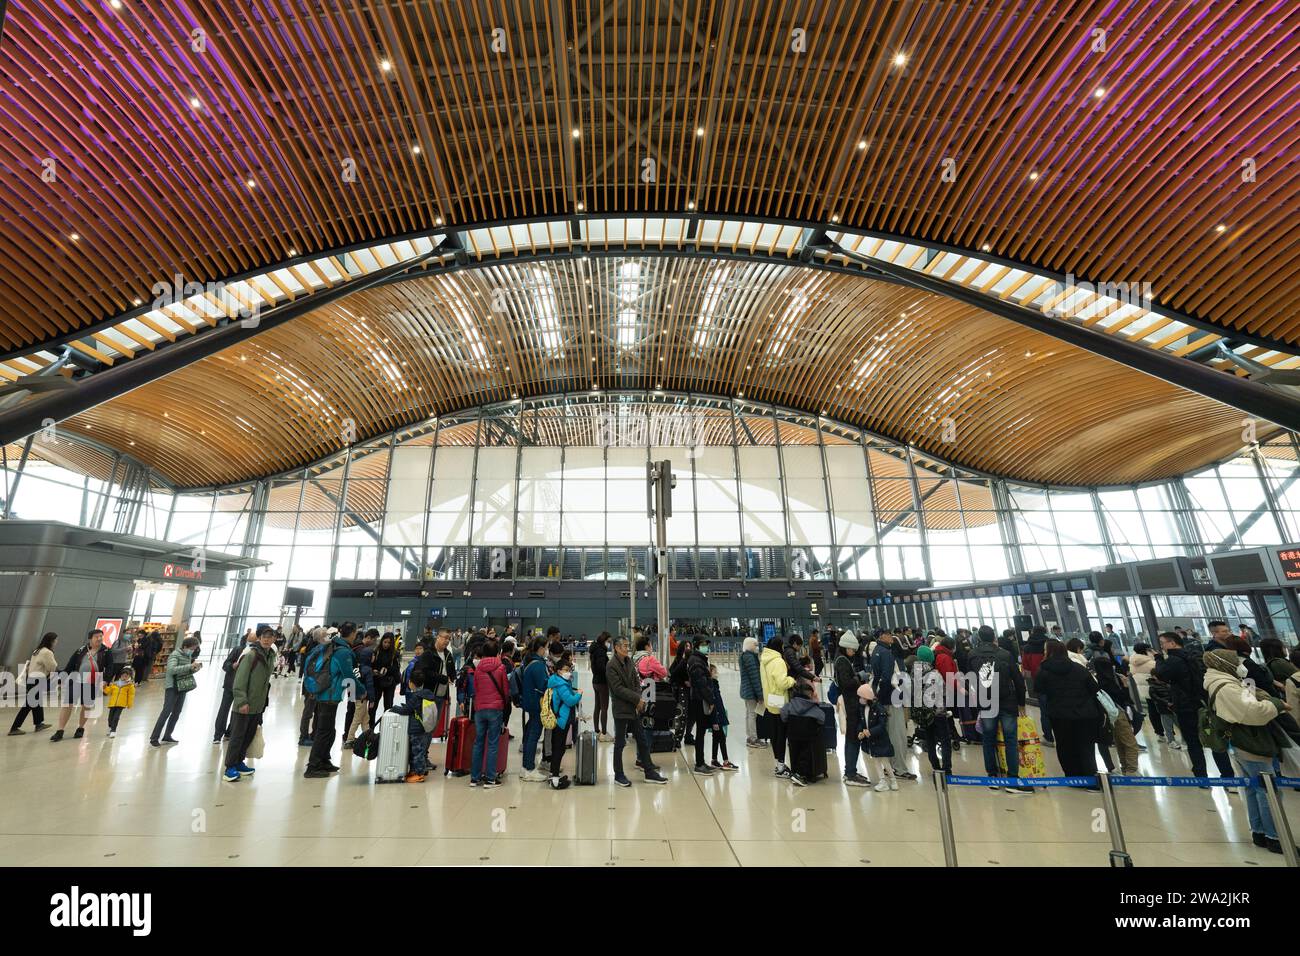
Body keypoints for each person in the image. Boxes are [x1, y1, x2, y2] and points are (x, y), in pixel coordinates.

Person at [1202, 648, 1295, 855]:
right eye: (1236, 661)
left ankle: (1259, 832)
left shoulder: (1224, 682)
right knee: (1267, 789)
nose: (1240, 665)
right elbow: (1253, 713)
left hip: (1242, 741)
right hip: (1251, 741)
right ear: (1225, 663)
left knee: (1253, 788)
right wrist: (1276, 704)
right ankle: (1274, 836)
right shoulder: (1226, 686)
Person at [968, 625, 1032, 793]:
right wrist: (1021, 703)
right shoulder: (1005, 654)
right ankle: (1012, 779)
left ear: (979, 638)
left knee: (988, 739)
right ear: (994, 637)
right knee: (1011, 739)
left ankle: (992, 776)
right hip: (1007, 701)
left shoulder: (972, 655)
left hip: (986, 702)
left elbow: (970, 678)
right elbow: (1018, 680)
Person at [1033, 640, 1104, 789]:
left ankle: (1072, 777)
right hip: (1085, 713)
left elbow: (1038, 689)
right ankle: (1091, 778)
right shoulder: (1078, 668)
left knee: (1065, 746)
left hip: (1060, 714)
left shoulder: (1044, 669)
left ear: (1049, 651)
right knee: (1086, 746)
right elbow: (1094, 688)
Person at [1152, 631, 1221, 784]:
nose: (1162, 646)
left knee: (1193, 741)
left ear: (1172, 643)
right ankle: (1228, 777)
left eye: (1163, 643)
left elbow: (1161, 674)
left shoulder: (1173, 660)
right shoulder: (1194, 655)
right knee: (1212, 738)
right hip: (1203, 705)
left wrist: (1158, 658)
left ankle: (1201, 776)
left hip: (1186, 708)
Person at [605, 634, 668, 786]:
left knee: (642, 740)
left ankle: (649, 771)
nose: (627, 648)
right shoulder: (611, 666)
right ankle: (618, 774)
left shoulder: (629, 662)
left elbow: (636, 682)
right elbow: (618, 689)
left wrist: (639, 698)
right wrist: (637, 699)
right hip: (621, 709)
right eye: (624, 646)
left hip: (634, 708)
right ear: (616, 648)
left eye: (628, 645)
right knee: (620, 743)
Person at [222, 627, 276, 783]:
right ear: (258, 638)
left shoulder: (270, 655)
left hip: (258, 704)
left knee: (248, 735)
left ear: (274, 639)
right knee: (237, 736)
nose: (266, 639)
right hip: (245, 704)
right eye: (263, 637)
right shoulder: (251, 655)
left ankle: (239, 762)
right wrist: (242, 701)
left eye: (270, 637)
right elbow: (239, 680)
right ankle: (229, 767)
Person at [301, 625, 356, 778]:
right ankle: (313, 766)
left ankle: (324, 760)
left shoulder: (330, 648)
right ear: (351, 634)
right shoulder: (341, 652)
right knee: (324, 732)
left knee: (329, 731)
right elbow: (349, 676)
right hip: (328, 696)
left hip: (324, 694)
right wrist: (361, 691)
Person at [870, 629, 917, 782]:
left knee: (889, 734)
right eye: (889, 635)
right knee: (898, 735)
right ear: (882, 636)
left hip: (883, 698)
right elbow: (887, 677)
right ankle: (900, 769)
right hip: (891, 698)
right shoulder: (886, 653)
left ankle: (890, 767)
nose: (891, 638)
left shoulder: (877, 651)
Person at [49, 630, 111, 742]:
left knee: (86, 705)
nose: (99, 639)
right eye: (97, 637)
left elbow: (110, 667)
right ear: (90, 638)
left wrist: (106, 680)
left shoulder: (106, 651)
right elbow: (70, 665)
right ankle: (60, 730)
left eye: (101, 636)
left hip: (93, 682)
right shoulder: (81, 650)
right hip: (76, 680)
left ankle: (80, 728)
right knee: (68, 704)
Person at [148, 635, 202, 746]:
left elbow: (185, 671)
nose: (192, 651)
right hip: (172, 687)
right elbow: (171, 670)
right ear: (186, 646)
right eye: (192, 649)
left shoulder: (187, 656)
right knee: (166, 712)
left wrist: (194, 669)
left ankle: (167, 735)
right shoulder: (175, 655)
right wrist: (189, 666)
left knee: (176, 713)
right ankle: (154, 738)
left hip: (182, 687)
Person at [469, 639, 509, 788]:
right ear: (497, 652)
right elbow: (505, 689)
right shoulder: (501, 667)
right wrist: (504, 704)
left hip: (480, 709)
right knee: (492, 743)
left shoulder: (477, 668)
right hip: (495, 708)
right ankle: (491, 778)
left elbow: (476, 688)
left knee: (478, 742)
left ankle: (474, 778)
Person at [833, 631, 871, 787]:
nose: (854, 653)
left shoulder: (842, 660)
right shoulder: (842, 661)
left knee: (853, 737)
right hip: (850, 705)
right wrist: (859, 677)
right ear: (846, 647)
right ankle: (850, 773)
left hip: (850, 703)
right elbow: (846, 683)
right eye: (852, 650)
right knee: (853, 738)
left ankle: (851, 771)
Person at [1092, 655, 1139, 775]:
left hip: (1106, 716)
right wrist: (1125, 685)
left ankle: (1125, 767)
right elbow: (1124, 698)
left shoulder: (1095, 681)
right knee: (1129, 742)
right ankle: (1131, 769)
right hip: (1118, 712)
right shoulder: (1110, 682)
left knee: (1119, 742)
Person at [389, 670, 438, 782]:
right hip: (423, 727)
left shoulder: (416, 697)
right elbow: (415, 709)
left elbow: (406, 710)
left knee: (417, 751)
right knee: (420, 750)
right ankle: (420, 769)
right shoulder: (427, 694)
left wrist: (395, 708)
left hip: (416, 729)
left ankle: (419, 774)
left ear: (411, 683)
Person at [544, 654, 582, 790]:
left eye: (569, 669)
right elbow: (570, 700)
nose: (568, 672)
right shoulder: (560, 684)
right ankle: (554, 778)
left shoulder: (557, 681)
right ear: (559, 671)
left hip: (559, 718)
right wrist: (579, 694)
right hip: (562, 720)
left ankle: (553, 775)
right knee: (559, 748)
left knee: (558, 747)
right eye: (566, 669)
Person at [9, 632, 58, 735]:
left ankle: (39, 724)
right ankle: (14, 728)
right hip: (37, 680)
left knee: (36, 702)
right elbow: (52, 667)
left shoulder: (37, 650)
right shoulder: (47, 652)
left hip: (31, 679)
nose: (56, 642)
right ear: (51, 641)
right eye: (55, 640)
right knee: (28, 705)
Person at [214, 630, 258, 744]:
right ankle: (218, 735)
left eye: (253, 641)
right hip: (230, 685)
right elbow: (226, 665)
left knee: (237, 712)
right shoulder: (238, 650)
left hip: (243, 688)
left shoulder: (256, 654)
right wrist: (233, 666)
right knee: (224, 709)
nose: (250, 643)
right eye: (250, 640)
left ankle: (229, 732)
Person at [760, 636, 795, 777]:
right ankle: (781, 767)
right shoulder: (778, 661)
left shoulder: (764, 660)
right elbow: (782, 683)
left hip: (770, 700)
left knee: (775, 735)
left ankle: (778, 763)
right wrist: (791, 680)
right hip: (780, 700)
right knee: (781, 735)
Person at [856, 683, 897, 791]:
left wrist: (869, 732)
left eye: (861, 697)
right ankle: (882, 781)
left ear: (866, 697)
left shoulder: (879, 708)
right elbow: (862, 722)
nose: (860, 699)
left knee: (884, 761)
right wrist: (861, 731)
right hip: (871, 741)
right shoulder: (862, 708)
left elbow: (882, 726)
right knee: (876, 761)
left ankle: (893, 780)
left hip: (880, 740)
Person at [686, 638, 717, 774]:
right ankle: (699, 764)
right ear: (697, 646)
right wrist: (710, 700)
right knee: (700, 732)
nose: (706, 647)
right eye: (704, 645)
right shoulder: (696, 661)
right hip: (699, 700)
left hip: (699, 698)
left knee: (701, 731)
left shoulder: (698, 659)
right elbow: (702, 684)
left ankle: (701, 761)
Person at [343, 628, 376, 745]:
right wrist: (372, 698)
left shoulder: (354, 650)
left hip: (353, 689)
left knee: (363, 718)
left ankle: (367, 737)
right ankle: (349, 738)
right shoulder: (367, 667)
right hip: (362, 695)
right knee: (356, 717)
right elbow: (370, 685)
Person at [739, 636, 764, 747]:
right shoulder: (750, 658)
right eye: (755, 645)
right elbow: (754, 677)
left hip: (746, 690)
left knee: (749, 714)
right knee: (752, 714)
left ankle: (750, 737)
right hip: (751, 691)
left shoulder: (745, 656)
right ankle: (753, 738)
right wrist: (760, 694)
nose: (757, 647)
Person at [371, 633, 401, 723]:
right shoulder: (376, 651)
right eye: (385, 642)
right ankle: (370, 728)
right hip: (376, 682)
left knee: (388, 707)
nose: (386, 644)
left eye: (389, 643)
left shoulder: (395, 654)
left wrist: (387, 670)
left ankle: (385, 728)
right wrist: (374, 670)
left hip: (389, 683)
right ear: (382, 641)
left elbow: (396, 669)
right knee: (373, 706)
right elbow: (371, 665)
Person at [590, 632, 612, 742]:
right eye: (609, 641)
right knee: (604, 707)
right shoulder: (601, 652)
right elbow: (601, 667)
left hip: (595, 681)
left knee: (597, 706)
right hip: (602, 682)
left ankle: (597, 730)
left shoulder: (594, 649)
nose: (610, 644)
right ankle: (604, 733)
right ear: (604, 640)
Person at [104, 665, 136, 739]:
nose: (124, 677)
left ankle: (113, 731)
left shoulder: (130, 686)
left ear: (129, 677)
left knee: (116, 717)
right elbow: (108, 691)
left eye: (126, 676)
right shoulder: (115, 684)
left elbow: (131, 695)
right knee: (110, 718)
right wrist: (104, 687)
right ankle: (110, 727)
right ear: (120, 676)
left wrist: (129, 704)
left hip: (121, 704)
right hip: (112, 703)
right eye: (123, 676)